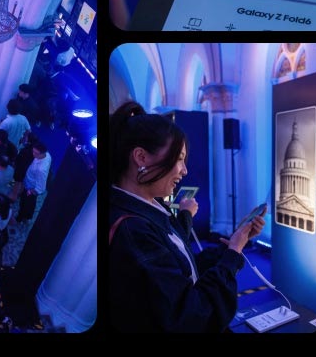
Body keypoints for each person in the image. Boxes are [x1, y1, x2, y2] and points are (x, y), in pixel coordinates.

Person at [108, 103, 266, 332]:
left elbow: (181, 268)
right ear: (141, 157)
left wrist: (231, 247)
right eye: (179, 158)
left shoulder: (151, 208)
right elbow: (192, 316)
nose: (185, 171)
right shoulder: (133, 231)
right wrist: (231, 257)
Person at [18, 139, 50, 222]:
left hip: (30, 187)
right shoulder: (48, 155)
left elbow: (41, 188)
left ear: (42, 153)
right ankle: (27, 216)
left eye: (36, 153)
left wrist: (30, 191)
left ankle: (22, 217)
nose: (33, 154)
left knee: (26, 203)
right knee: (28, 203)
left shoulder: (42, 169)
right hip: (27, 180)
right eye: (33, 151)